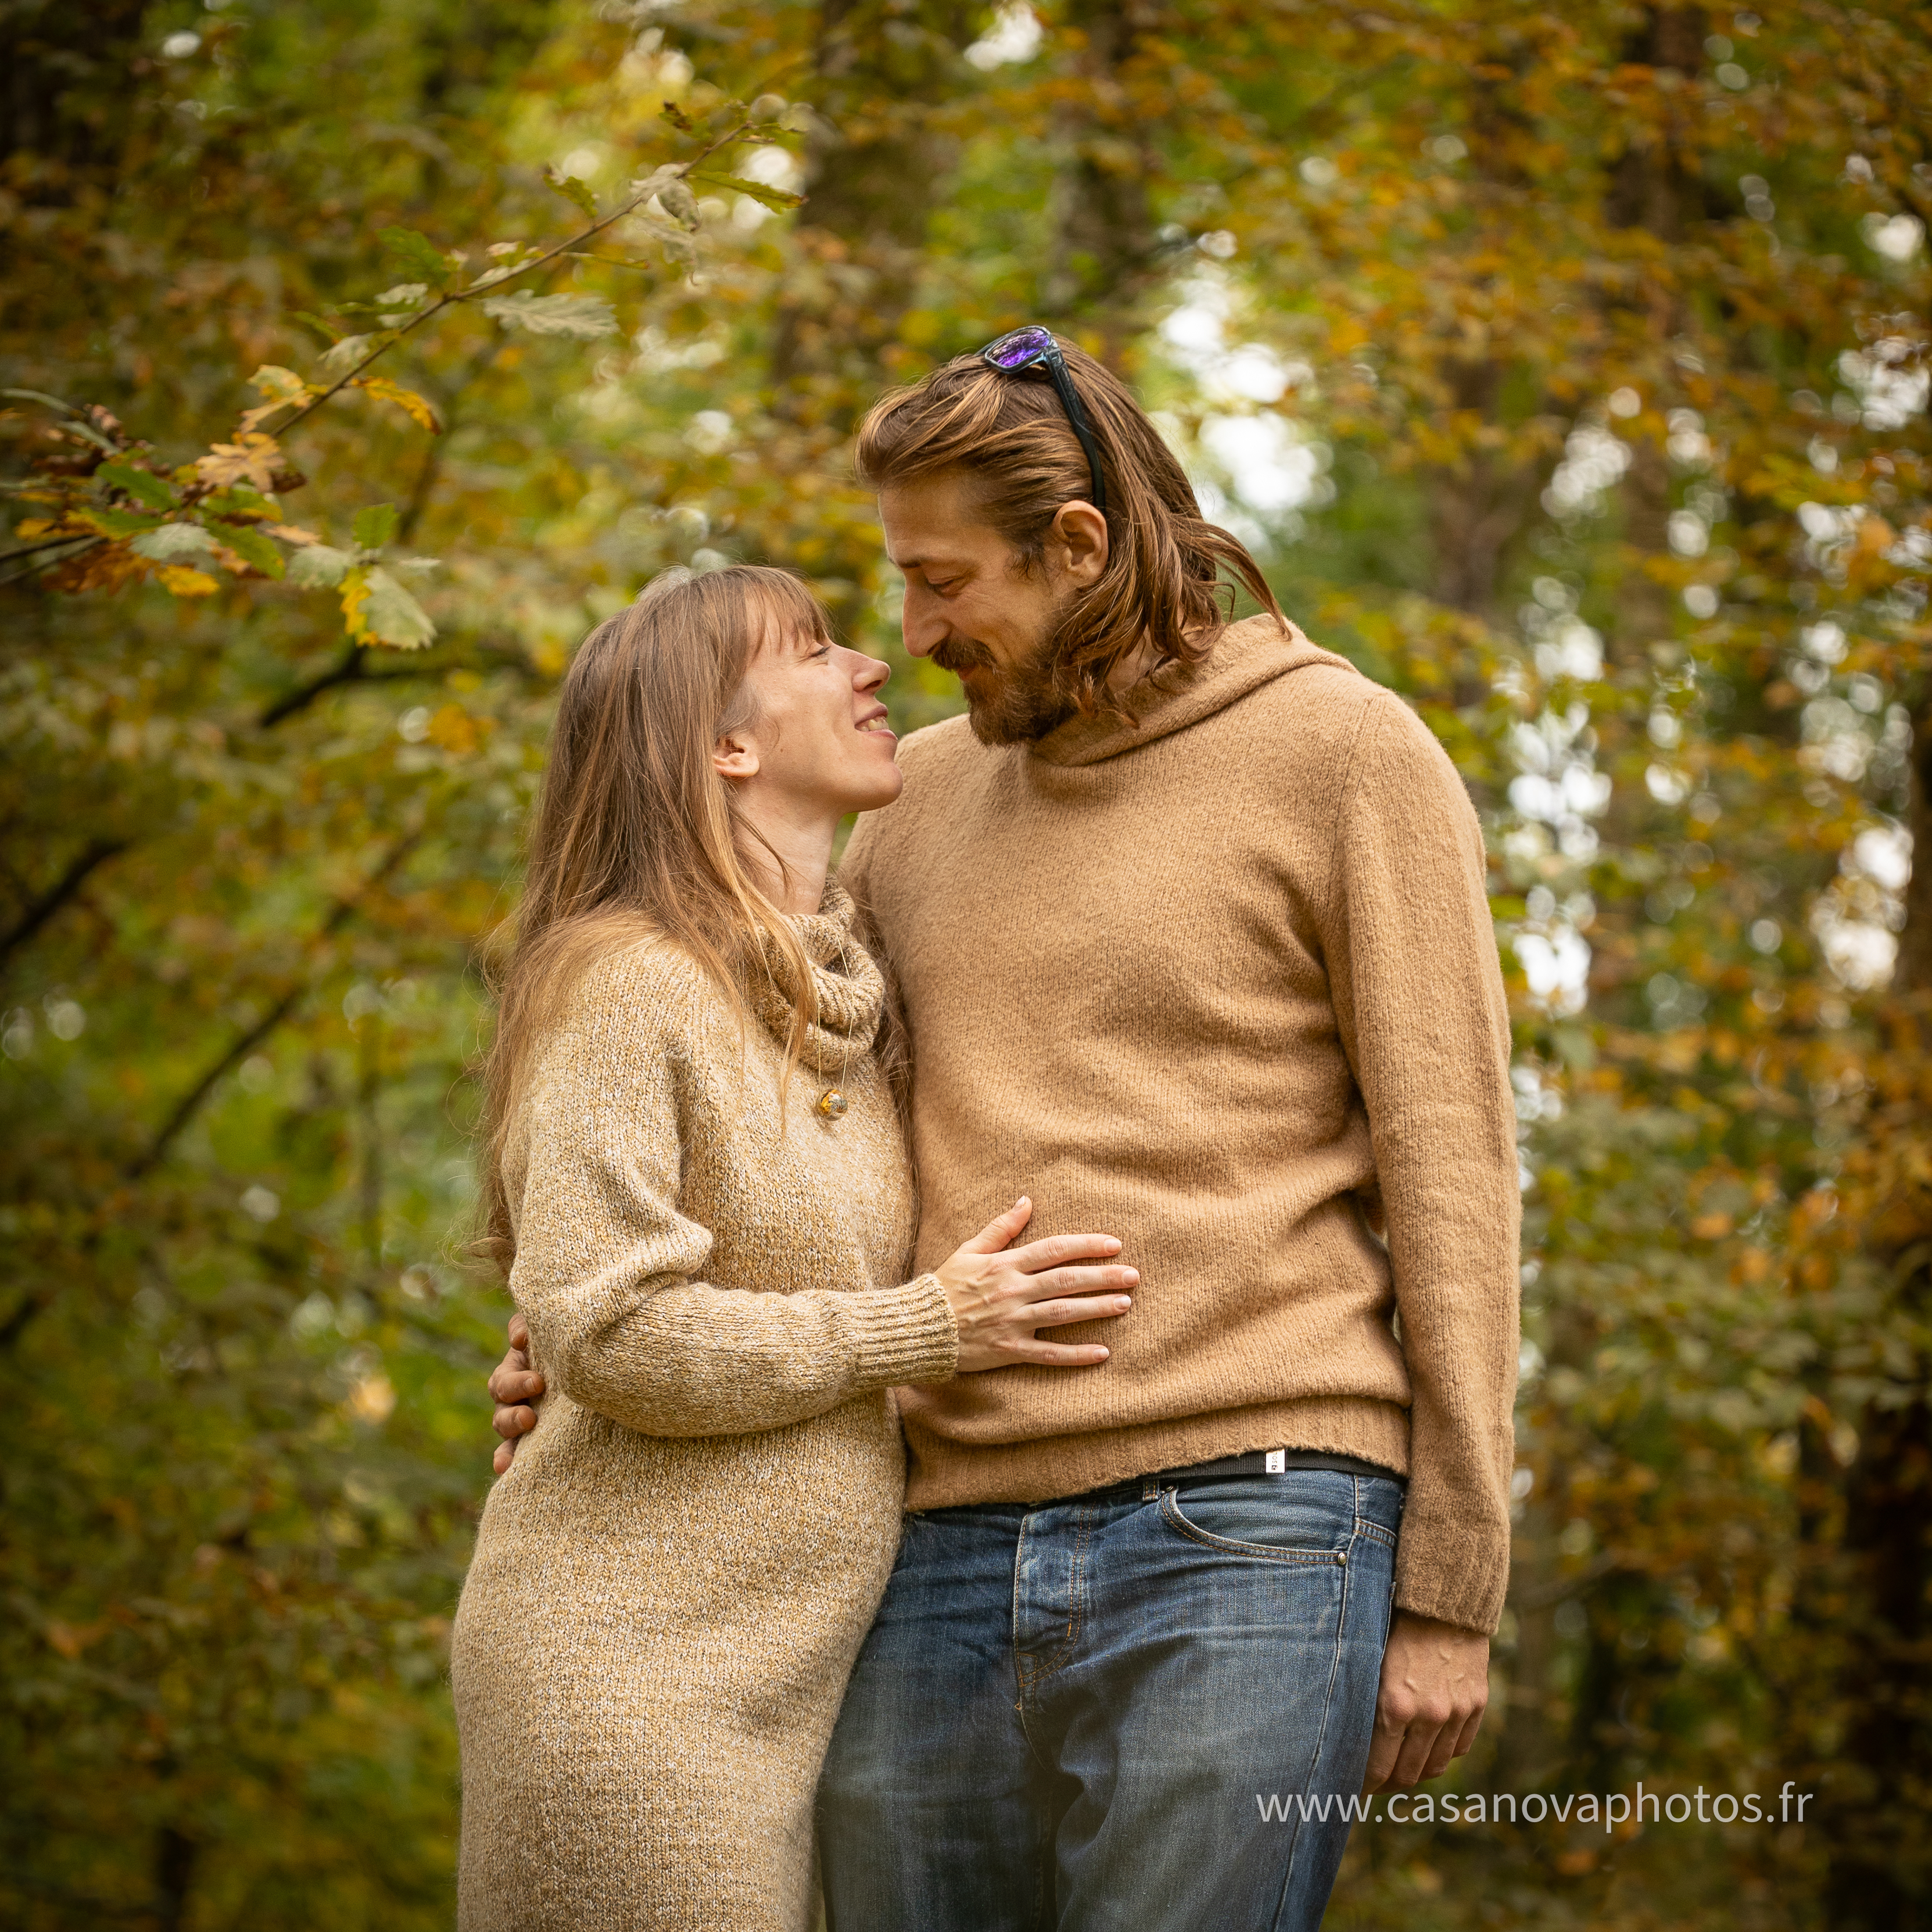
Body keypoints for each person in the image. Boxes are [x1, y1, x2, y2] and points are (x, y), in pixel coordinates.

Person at [490, 331, 1519, 1931]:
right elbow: (751, 1104)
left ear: (1081, 547)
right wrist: (573, 1351)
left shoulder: (1343, 752)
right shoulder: (911, 798)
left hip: (1249, 1518)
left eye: (940, 580)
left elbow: (1452, 1175)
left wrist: (1451, 1580)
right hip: (923, 1546)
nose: (909, 635)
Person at [453, 562, 1136, 1932]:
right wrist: (926, 1326)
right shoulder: (626, 977)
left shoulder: (835, 997)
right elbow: (617, 1329)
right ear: (727, 743)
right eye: (818, 650)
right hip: (630, 1676)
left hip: (815, 1685)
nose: (871, 665)